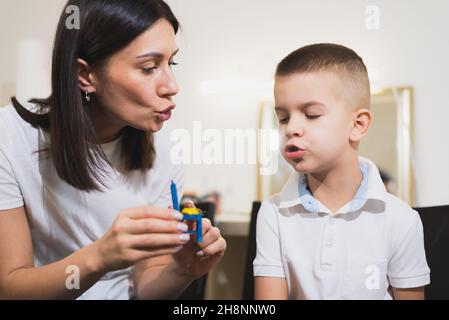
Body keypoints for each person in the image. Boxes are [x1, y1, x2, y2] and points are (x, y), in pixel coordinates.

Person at [0, 0, 226, 300]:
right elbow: (12, 288)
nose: (172, 86)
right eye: (149, 67)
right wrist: (99, 257)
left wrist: (183, 269)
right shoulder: (11, 136)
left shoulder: (166, 146)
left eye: (171, 63)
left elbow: (143, 287)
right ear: (85, 75)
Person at [253, 43, 430, 300]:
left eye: (311, 115)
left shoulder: (400, 219)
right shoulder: (274, 214)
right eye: (283, 117)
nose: (291, 128)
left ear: (358, 125)